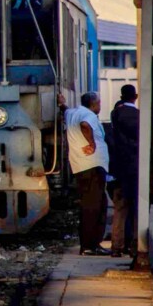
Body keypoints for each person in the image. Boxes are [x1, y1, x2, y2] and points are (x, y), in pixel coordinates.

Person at [64, 91, 111, 256]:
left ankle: (90, 244)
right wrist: (91, 143)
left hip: (81, 166)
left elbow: (66, 109)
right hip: (92, 165)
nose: (100, 106)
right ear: (94, 104)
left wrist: (62, 103)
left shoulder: (72, 113)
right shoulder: (87, 115)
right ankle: (90, 246)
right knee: (94, 206)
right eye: (99, 103)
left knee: (94, 204)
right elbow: (85, 125)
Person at [108, 84, 140, 258]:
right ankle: (135, 246)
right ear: (135, 97)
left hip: (120, 169)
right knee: (137, 209)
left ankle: (116, 246)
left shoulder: (115, 114)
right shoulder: (139, 116)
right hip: (136, 168)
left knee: (120, 209)